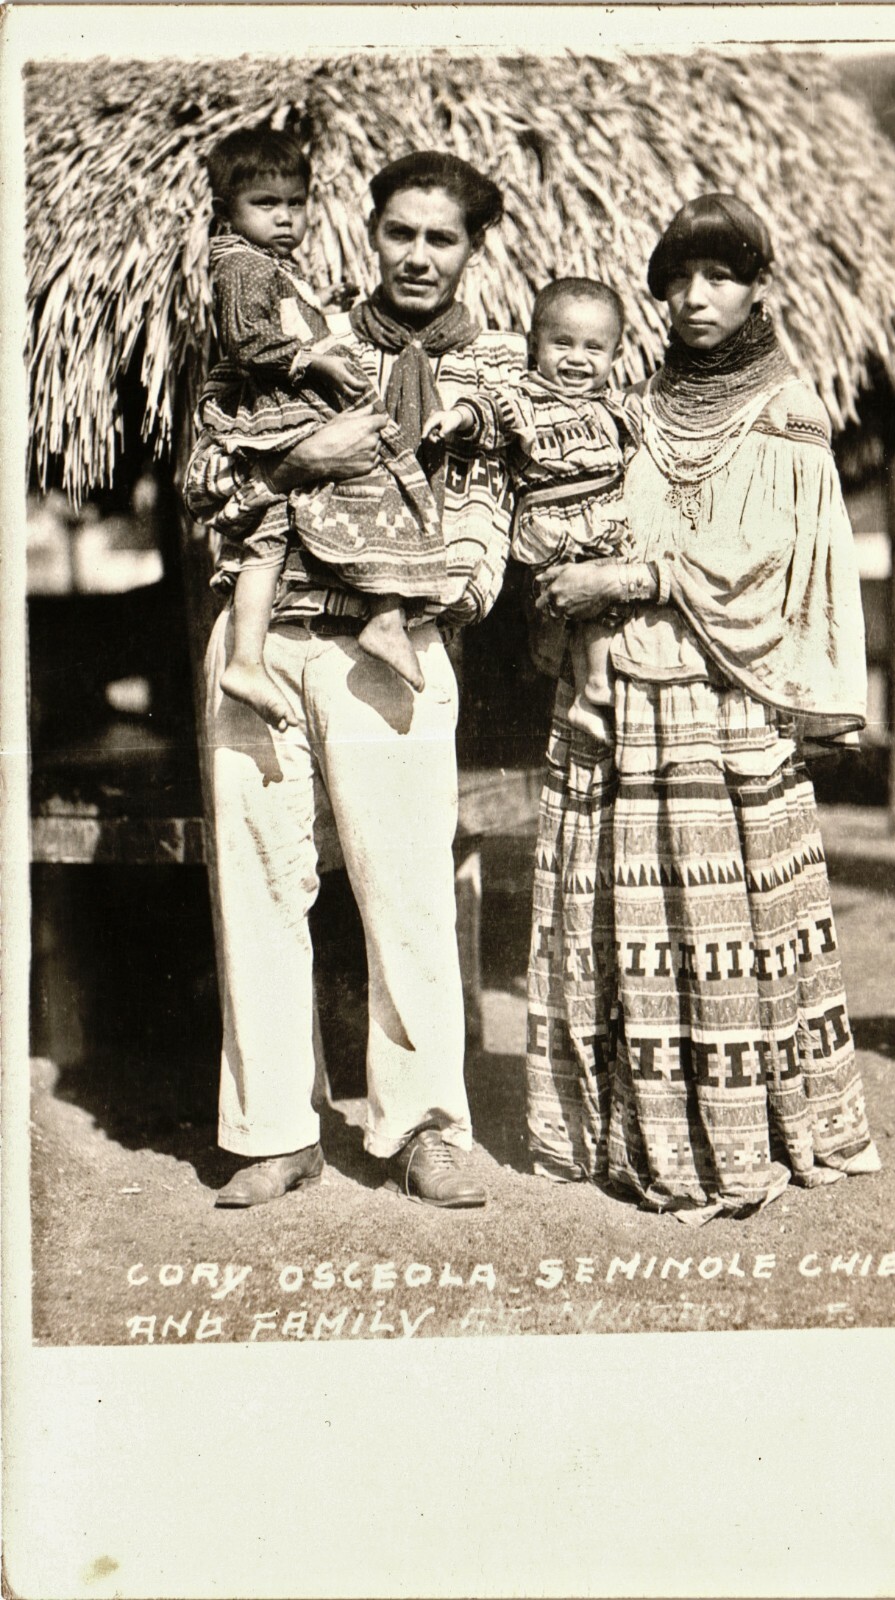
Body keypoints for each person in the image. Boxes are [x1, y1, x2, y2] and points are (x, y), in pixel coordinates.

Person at [526, 193, 881, 1226]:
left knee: (727, 920)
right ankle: (636, 1137)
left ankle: (745, 1137)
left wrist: (623, 580)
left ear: (756, 285)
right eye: (677, 279)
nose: (694, 298)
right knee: (626, 911)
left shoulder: (783, 411)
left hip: (718, 702)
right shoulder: (639, 400)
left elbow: (755, 560)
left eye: (718, 276)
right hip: (620, 696)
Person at [185, 150, 527, 1208]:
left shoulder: (504, 370)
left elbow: (494, 526)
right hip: (264, 634)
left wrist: (422, 600)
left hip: (394, 646)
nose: (417, 255)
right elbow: (204, 475)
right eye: (399, 233)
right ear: (368, 233)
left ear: (473, 250)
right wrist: (297, 461)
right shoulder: (297, 335)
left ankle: (422, 1124)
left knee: (407, 887)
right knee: (258, 879)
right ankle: (272, 1129)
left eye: (442, 238)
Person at [202, 128, 448, 714]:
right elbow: (247, 345)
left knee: (276, 529)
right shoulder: (243, 266)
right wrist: (312, 357)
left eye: (296, 203)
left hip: (287, 406)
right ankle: (378, 617)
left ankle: (262, 653)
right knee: (374, 473)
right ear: (225, 212)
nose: (285, 218)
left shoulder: (271, 266)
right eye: (266, 204)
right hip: (279, 411)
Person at [423, 278, 640, 743]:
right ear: (534, 344)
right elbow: (490, 411)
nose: (577, 359)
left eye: (594, 348)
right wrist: (456, 418)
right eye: (562, 344)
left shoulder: (614, 408)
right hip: (557, 522)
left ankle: (590, 691)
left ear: (616, 356)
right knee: (588, 606)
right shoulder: (528, 397)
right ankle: (594, 690)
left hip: (603, 519)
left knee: (601, 607)